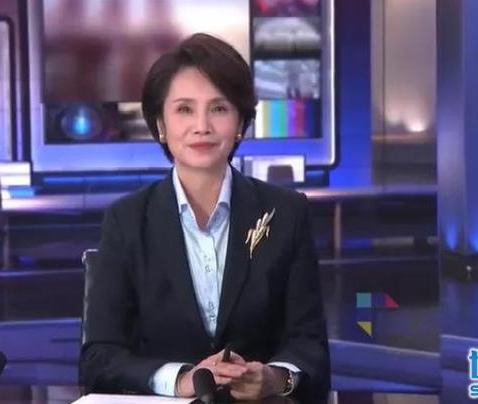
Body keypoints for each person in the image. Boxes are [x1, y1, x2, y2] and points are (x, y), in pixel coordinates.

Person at [79, 33, 330, 402]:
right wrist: (181, 380)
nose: (202, 126)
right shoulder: (127, 220)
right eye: (184, 109)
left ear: (240, 122)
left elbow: (310, 347)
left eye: (219, 108)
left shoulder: (286, 213)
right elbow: (98, 358)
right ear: (160, 125)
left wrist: (274, 378)